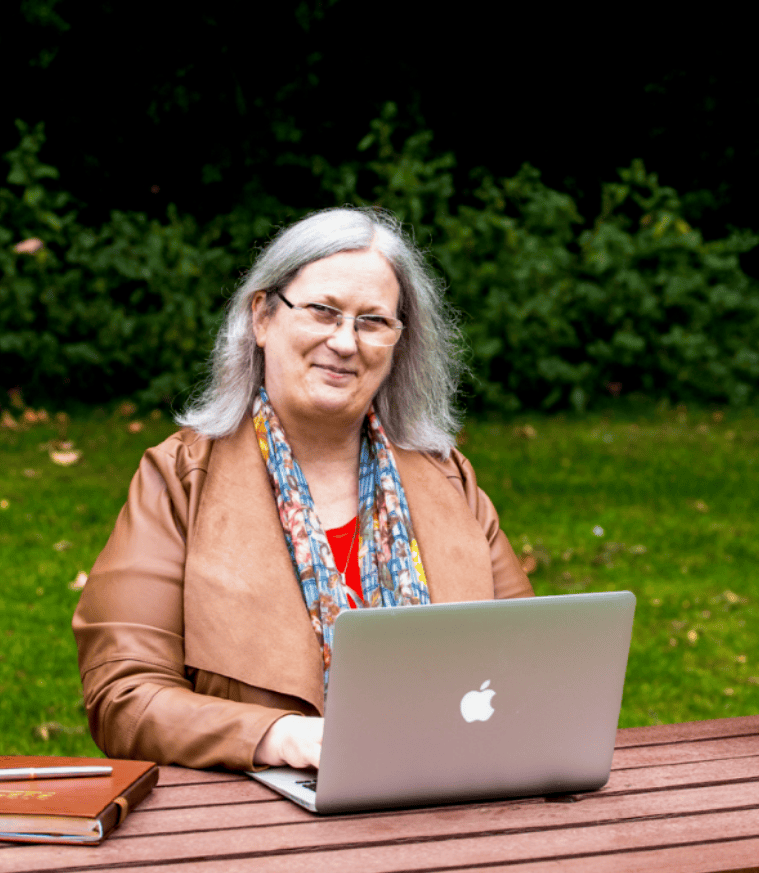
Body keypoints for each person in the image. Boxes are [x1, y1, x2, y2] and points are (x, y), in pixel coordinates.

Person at [72, 207, 533, 772]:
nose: (345, 341)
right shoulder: (180, 477)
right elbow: (123, 696)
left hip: (446, 793)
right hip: (258, 822)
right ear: (262, 318)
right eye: (323, 311)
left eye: (372, 322)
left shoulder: (448, 479)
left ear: (397, 345)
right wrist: (278, 737)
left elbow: (531, 668)